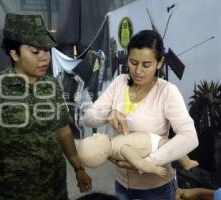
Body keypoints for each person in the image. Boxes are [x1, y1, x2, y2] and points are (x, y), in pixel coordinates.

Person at [0, 13, 91, 200]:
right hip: (15, 192)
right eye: (35, 52)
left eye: (46, 50)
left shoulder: (51, 85)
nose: (44, 58)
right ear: (14, 54)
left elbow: (63, 129)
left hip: (55, 187)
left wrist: (78, 167)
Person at [83, 30, 198, 200]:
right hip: (122, 185)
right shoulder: (119, 83)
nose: (137, 71)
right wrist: (107, 114)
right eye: (133, 62)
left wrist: (148, 163)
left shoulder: (166, 92)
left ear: (159, 63)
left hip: (156, 188)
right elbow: (88, 117)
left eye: (146, 65)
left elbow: (190, 137)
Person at [78, 132, 199, 177]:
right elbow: (139, 163)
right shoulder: (122, 149)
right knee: (175, 146)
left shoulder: (113, 148)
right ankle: (187, 163)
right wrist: (155, 169)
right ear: (102, 152)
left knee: (171, 144)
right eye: (94, 139)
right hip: (155, 146)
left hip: (154, 139)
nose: (95, 135)